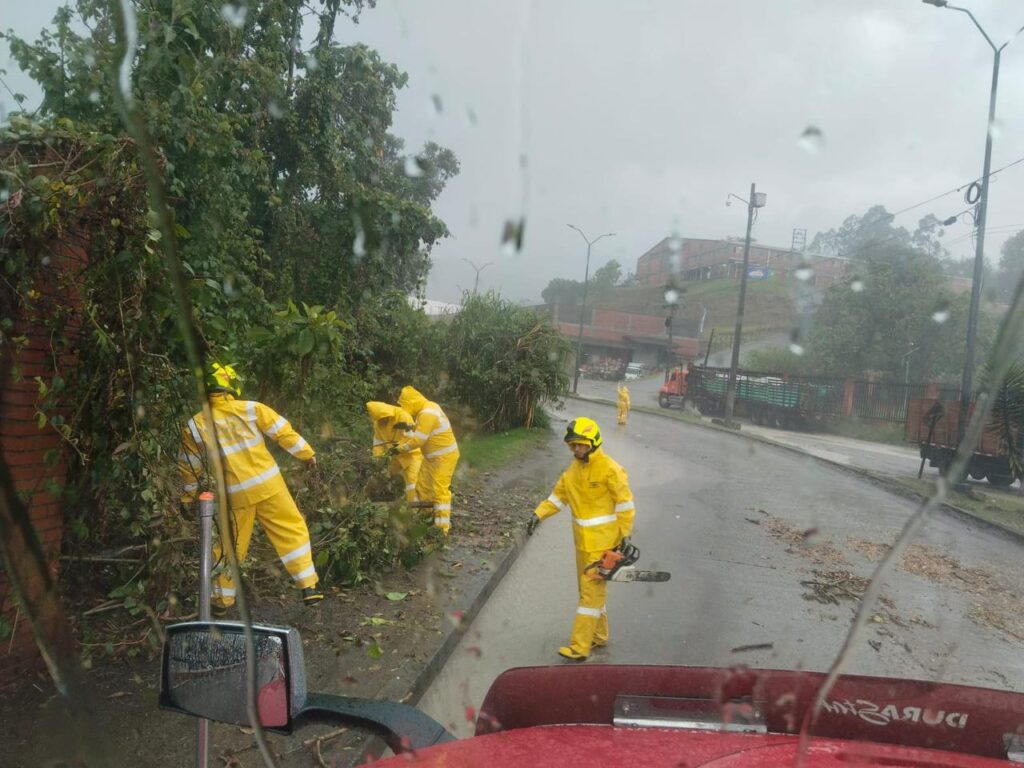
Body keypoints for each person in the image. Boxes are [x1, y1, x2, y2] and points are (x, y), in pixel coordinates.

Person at [178, 363, 323, 614]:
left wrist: (187, 497)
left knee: (229, 547)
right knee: (292, 530)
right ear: (231, 386)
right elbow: (283, 433)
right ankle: (308, 587)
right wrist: (307, 454)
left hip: (235, 495)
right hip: (269, 486)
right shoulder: (251, 408)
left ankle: (221, 602)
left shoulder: (195, 425)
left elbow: (189, 466)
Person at [526, 417, 635, 661]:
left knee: (590, 595)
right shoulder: (572, 472)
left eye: (581, 445)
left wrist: (625, 534)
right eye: (573, 445)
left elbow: (625, 504)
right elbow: (557, 498)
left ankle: (580, 646)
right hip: (582, 545)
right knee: (591, 593)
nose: (576, 449)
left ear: (593, 443)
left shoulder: (610, 469)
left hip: (604, 544)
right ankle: (599, 635)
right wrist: (537, 515)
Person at [395, 385, 460, 535]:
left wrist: (401, 449)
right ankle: (427, 518)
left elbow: (419, 440)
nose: (404, 409)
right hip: (432, 458)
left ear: (411, 402)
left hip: (444, 458)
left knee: (440, 490)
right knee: (422, 487)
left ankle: (441, 530)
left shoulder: (428, 413)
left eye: (405, 405)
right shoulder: (425, 411)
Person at [366, 400, 423, 502]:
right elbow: (378, 443)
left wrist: (397, 448)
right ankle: (395, 498)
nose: (381, 421)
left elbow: (410, 438)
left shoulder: (403, 416)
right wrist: (377, 459)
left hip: (411, 455)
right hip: (394, 458)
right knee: (388, 477)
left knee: (412, 481)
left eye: (382, 418)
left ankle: (415, 510)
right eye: (378, 419)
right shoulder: (378, 424)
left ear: (387, 415)